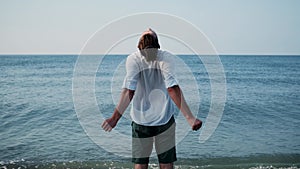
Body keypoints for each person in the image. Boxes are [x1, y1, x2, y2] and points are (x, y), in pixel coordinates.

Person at [101, 28, 202, 169]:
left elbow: (129, 91)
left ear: (139, 47)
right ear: (158, 45)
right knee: (166, 165)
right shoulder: (166, 57)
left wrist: (115, 118)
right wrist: (190, 118)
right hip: (164, 119)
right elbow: (172, 88)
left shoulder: (134, 59)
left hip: (141, 119)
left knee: (141, 164)